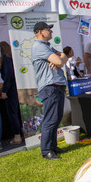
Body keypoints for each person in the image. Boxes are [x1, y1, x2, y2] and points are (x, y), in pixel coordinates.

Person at [31, 22, 68, 160]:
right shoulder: (39, 47)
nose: (51, 32)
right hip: (49, 86)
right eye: (49, 30)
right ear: (40, 32)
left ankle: (52, 146)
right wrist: (58, 59)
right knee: (50, 119)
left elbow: (63, 56)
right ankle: (46, 150)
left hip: (56, 85)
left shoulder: (47, 47)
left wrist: (59, 58)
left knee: (56, 118)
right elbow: (59, 61)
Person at [0, 41, 23, 145]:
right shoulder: (13, 59)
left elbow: (9, 75)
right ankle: (21, 133)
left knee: (13, 112)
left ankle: (17, 136)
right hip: (18, 87)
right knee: (18, 111)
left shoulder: (6, 59)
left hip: (11, 89)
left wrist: (4, 90)